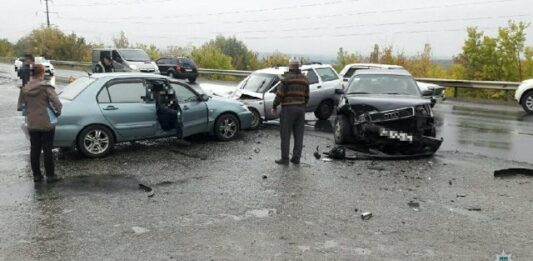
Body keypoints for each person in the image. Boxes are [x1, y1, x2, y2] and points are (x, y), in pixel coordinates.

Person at [21, 64, 63, 183]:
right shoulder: (46, 87)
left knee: (34, 148)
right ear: (42, 72)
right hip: (46, 122)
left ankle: (37, 176)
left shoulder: (25, 88)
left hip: (32, 122)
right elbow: (57, 103)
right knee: (47, 149)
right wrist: (57, 113)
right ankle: (50, 176)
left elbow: (22, 106)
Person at [271, 58, 310, 165]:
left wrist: (274, 106)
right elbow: (307, 96)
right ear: (298, 67)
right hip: (301, 109)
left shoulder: (286, 79)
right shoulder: (305, 79)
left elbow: (280, 95)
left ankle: (285, 159)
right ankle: (296, 158)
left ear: (290, 66)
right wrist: (303, 106)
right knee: (299, 134)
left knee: (285, 134)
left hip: (288, 109)